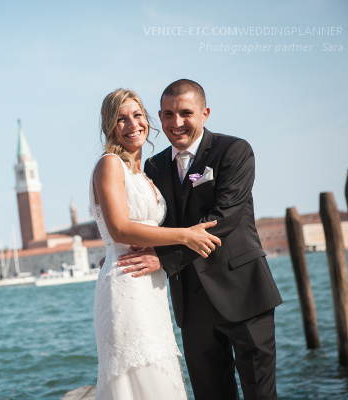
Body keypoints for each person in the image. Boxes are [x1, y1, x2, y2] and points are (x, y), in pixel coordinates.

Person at [116, 79, 283, 400]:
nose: (176, 123)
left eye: (185, 113)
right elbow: (151, 220)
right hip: (191, 305)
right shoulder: (153, 166)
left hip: (244, 294)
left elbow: (225, 218)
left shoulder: (234, 151)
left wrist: (163, 259)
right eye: (167, 114)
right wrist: (121, 249)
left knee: (261, 395)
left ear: (205, 113)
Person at [91, 88, 221, 400]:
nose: (131, 124)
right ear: (110, 127)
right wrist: (186, 235)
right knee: (138, 376)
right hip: (126, 283)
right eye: (120, 119)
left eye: (137, 115)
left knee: (159, 369)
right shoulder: (109, 164)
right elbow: (121, 228)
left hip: (153, 285)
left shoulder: (147, 173)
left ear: (148, 121)